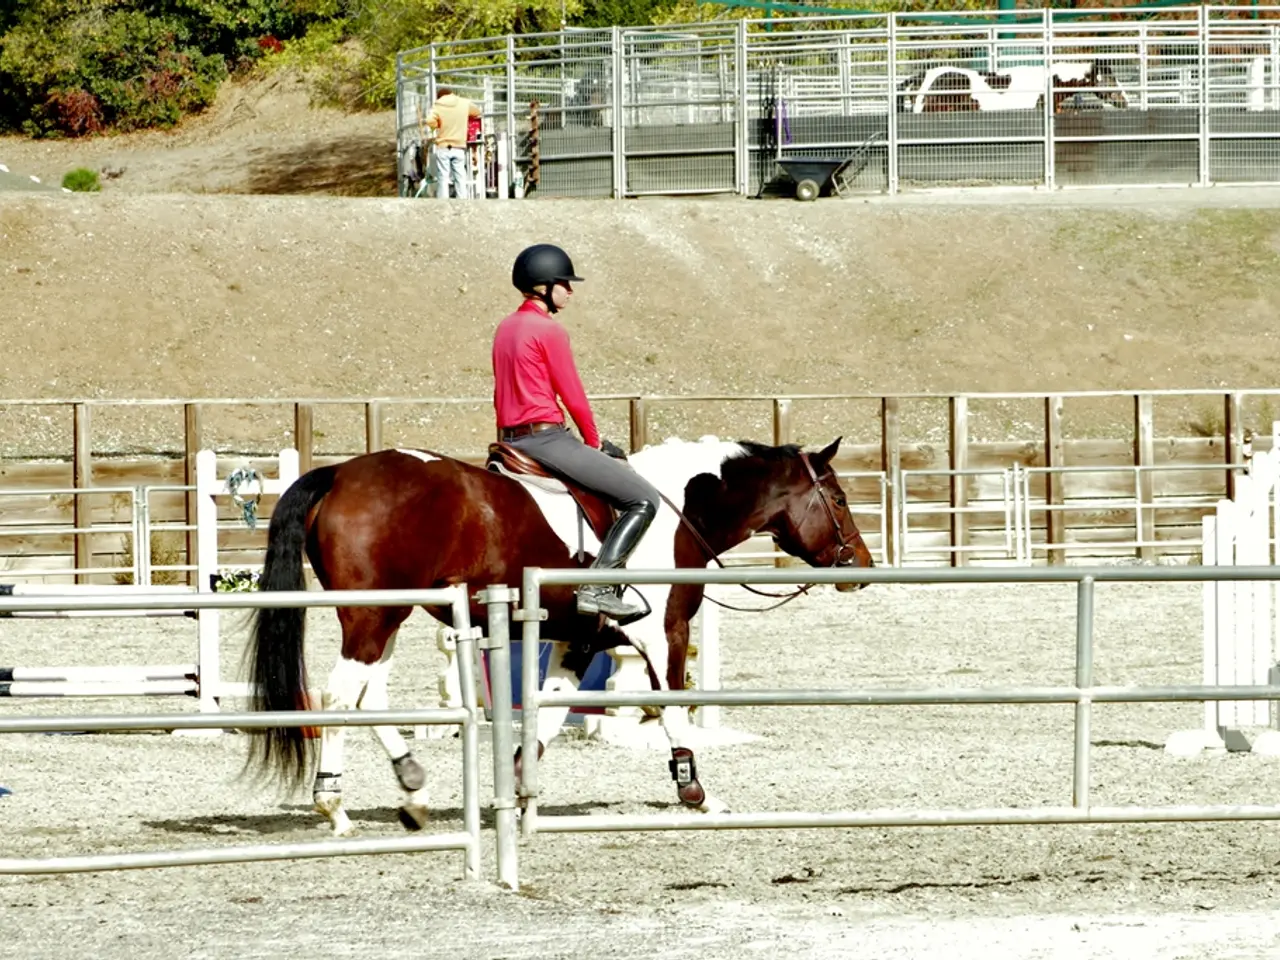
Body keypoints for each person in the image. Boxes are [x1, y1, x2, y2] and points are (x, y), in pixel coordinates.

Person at [492, 243, 661, 622]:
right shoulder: (548, 330)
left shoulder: (505, 328)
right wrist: (594, 441)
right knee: (643, 499)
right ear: (545, 286)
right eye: (565, 283)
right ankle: (599, 586)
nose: (571, 290)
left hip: (510, 438)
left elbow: (499, 392)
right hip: (547, 438)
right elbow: (573, 396)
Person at [424, 87, 481, 199]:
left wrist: (437, 124)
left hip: (443, 146)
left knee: (443, 176)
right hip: (459, 146)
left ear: (439, 97)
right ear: (452, 94)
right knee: (460, 175)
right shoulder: (463, 103)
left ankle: (443, 201)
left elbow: (429, 120)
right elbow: (477, 112)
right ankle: (462, 200)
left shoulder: (438, 106)